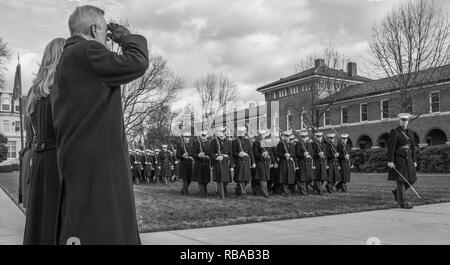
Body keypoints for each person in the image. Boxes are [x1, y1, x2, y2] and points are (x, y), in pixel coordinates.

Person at [51, 5, 149, 244]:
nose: (107, 37)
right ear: (94, 28)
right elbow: (136, 62)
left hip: (79, 153)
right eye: (105, 31)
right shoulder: (87, 50)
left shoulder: (68, 57)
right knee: (103, 225)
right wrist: (127, 39)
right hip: (96, 157)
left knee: (85, 220)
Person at [23, 38, 66, 245]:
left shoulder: (35, 91)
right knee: (56, 213)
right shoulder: (61, 87)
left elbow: (31, 127)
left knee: (40, 214)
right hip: (58, 157)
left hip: (40, 158)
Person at [387, 113, 418, 209]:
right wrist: (390, 161)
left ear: (408, 121)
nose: (404, 122)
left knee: (412, 179)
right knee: (401, 180)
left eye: (406, 120)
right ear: (399, 121)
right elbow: (391, 148)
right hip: (399, 159)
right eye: (402, 120)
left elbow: (413, 147)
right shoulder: (395, 132)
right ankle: (402, 203)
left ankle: (397, 192)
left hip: (409, 159)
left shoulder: (411, 133)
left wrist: (414, 160)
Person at [232, 127, 255, 198]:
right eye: (240, 131)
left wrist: (253, 162)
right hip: (239, 162)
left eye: (243, 131)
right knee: (240, 179)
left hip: (247, 162)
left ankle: (237, 190)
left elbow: (251, 152)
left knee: (246, 180)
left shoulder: (247, 141)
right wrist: (238, 154)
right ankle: (243, 194)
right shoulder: (235, 141)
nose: (242, 133)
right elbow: (233, 152)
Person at [210, 127, 231, 200]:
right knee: (220, 180)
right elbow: (211, 153)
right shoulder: (214, 141)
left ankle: (221, 192)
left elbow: (230, 154)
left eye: (223, 132)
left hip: (225, 163)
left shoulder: (228, 141)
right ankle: (221, 195)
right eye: (221, 132)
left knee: (226, 180)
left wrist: (231, 165)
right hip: (218, 162)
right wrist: (216, 157)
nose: (222, 133)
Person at [191, 131, 211, 197]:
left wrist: (209, 156)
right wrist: (198, 155)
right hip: (199, 163)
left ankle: (205, 192)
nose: (203, 136)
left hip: (206, 163)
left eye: (204, 135)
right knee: (200, 179)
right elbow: (193, 153)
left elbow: (211, 153)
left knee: (205, 179)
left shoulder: (209, 143)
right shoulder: (196, 143)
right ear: (200, 136)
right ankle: (202, 193)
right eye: (202, 135)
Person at [252, 130, 271, 197]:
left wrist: (268, 154)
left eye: (264, 135)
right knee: (263, 178)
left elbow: (270, 151)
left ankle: (256, 190)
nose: (263, 136)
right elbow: (255, 154)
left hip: (266, 162)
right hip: (260, 162)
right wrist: (262, 154)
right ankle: (265, 194)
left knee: (263, 177)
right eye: (261, 135)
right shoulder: (256, 143)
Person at [276, 131, 296, 196]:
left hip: (290, 163)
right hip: (283, 163)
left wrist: (290, 155)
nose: (287, 138)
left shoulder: (292, 145)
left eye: (288, 136)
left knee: (289, 177)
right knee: (284, 178)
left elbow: (294, 154)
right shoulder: (280, 144)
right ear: (284, 137)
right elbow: (278, 154)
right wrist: (284, 155)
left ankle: (286, 190)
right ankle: (285, 191)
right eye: (286, 136)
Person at [295, 130, 314, 195]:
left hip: (308, 163)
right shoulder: (298, 144)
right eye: (303, 137)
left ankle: (304, 189)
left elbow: (311, 153)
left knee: (309, 178)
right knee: (303, 178)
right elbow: (297, 154)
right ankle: (304, 192)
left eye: (305, 137)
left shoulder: (309, 144)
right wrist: (303, 154)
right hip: (302, 163)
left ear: (307, 137)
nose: (304, 138)